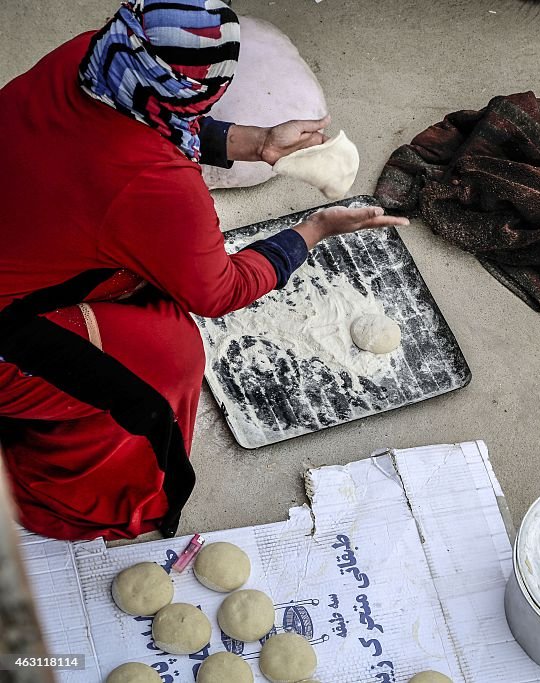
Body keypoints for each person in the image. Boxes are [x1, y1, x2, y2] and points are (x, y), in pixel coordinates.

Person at [0, 0, 407, 541]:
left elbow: (151, 117)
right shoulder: (155, 185)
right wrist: (313, 232)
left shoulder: (89, 57)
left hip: (24, 240)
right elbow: (220, 291)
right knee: (166, 365)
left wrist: (257, 143)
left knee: (145, 292)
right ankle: (63, 502)